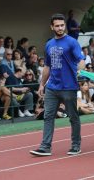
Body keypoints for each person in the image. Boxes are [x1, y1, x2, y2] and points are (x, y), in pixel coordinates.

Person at [30, 13, 85, 156]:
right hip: (52, 87)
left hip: (69, 87)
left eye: (62, 25)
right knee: (48, 116)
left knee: (73, 117)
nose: (60, 28)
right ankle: (45, 146)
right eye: (57, 26)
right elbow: (47, 67)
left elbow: (81, 60)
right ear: (52, 27)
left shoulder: (72, 42)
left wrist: (81, 70)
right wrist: (42, 84)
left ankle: (75, 145)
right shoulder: (49, 44)